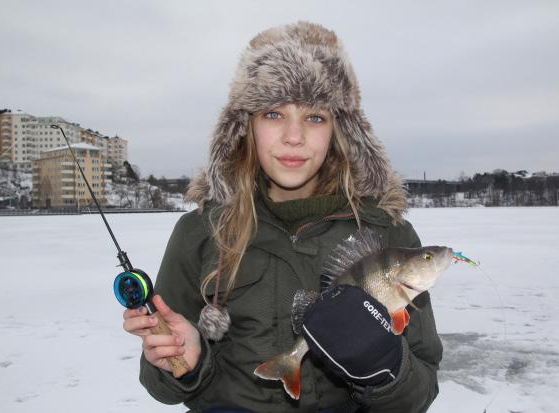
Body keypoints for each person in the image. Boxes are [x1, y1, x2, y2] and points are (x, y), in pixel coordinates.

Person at [122, 21, 443, 413]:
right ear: (246, 127)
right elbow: (163, 388)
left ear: (340, 130)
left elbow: (422, 389)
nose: (294, 136)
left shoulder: (387, 233)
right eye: (273, 114)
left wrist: (387, 369)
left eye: (315, 117)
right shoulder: (199, 233)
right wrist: (186, 364)